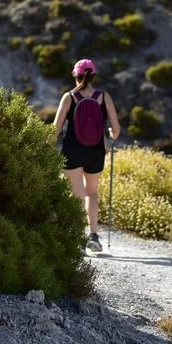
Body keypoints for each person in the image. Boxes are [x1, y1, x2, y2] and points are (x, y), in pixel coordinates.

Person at [53, 59, 120, 252]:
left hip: (72, 150)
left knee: (76, 194)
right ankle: (94, 236)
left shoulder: (69, 97)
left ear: (75, 76)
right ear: (93, 77)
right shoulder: (104, 97)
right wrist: (110, 133)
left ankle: (76, 238)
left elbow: (55, 129)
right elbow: (116, 130)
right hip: (95, 152)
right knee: (92, 192)